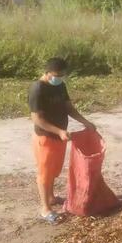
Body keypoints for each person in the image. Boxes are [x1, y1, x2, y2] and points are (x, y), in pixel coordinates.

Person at [28, 57, 96, 224]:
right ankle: (45, 209)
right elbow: (37, 119)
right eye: (57, 75)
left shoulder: (60, 86)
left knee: (53, 170)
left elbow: (69, 108)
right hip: (45, 137)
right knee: (44, 174)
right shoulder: (37, 89)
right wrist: (59, 131)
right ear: (47, 72)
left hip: (60, 137)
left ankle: (51, 197)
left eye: (62, 75)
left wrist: (85, 121)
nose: (59, 78)